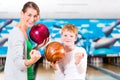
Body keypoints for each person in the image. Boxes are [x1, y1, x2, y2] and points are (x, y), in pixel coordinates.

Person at [4, 1, 48, 80]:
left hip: (28, 76)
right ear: (22, 13)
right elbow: (19, 63)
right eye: (29, 15)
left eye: (35, 16)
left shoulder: (24, 31)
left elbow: (26, 53)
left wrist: (37, 47)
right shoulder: (17, 33)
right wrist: (32, 60)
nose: (32, 19)